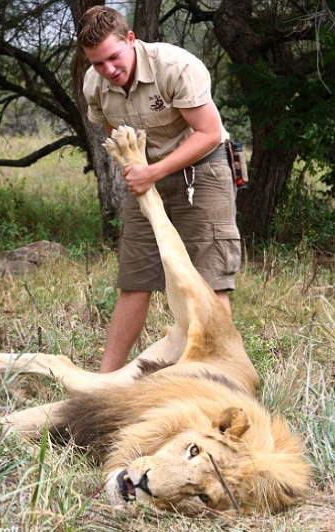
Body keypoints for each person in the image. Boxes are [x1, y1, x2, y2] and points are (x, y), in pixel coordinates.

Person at [78, 6, 241, 373]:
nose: (109, 70)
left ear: (131, 40)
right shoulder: (94, 83)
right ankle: (104, 380)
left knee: (210, 279)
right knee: (135, 280)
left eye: (113, 58)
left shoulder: (177, 66)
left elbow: (209, 133)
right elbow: (111, 132)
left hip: (203, 171)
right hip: (147, 175)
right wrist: (139, 171)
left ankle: (218, 376)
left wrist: (154, 171)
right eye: (98, 63)